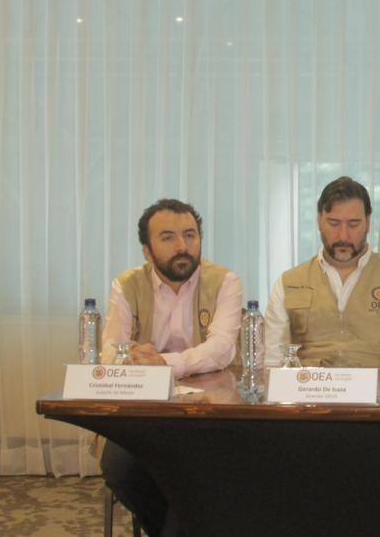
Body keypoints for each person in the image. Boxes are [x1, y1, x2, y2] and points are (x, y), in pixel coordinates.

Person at [100, 198, 243, 537]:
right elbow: (109, 351)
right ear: (147, 251)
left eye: (190, 235)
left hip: (207, 413)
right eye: (168, 237)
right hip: (142, 412)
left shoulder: (224, 281)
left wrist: (162, 362)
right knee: (119, 470)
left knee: (196, 474)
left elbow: (221, 350)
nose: (183, 246)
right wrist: (132, 356)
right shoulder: (126, 284)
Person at [265, 176, 380, 367]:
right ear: (319, 220)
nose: (343, 236)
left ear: (368, 222)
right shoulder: (289, 282)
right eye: (334, 223)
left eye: (354, 224)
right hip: (311, 392)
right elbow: (272, 362)